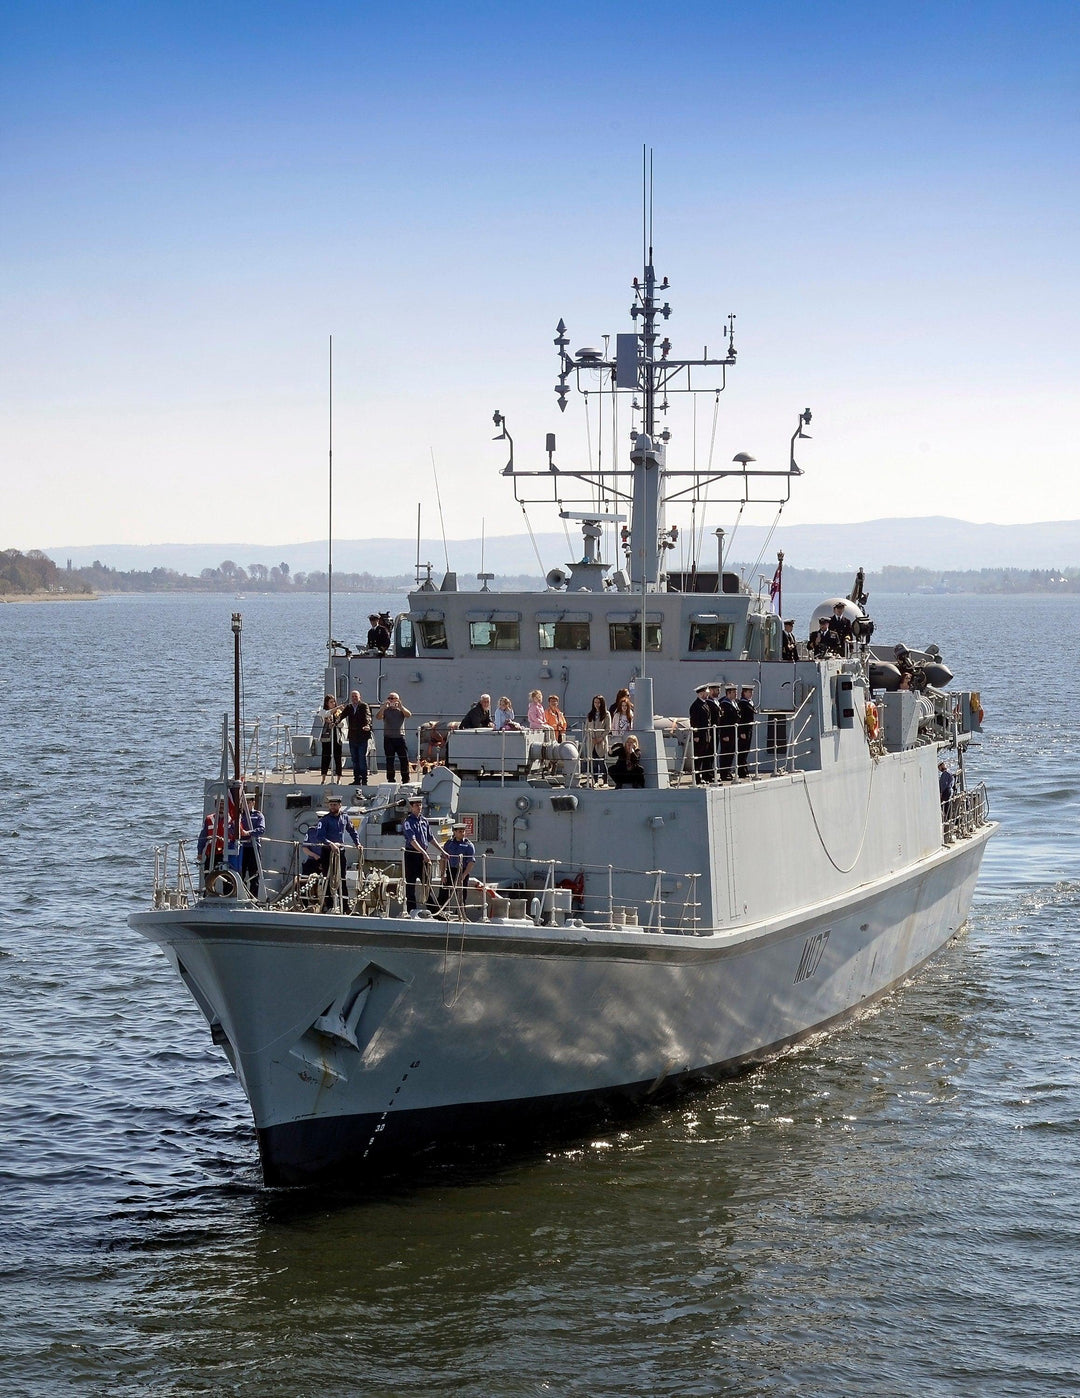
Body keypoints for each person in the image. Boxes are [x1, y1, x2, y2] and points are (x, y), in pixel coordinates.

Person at [301, 795, 360, 911]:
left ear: (340, 805)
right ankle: (328, 905)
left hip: (340, 852)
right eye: (331, 805)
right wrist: (330, 844)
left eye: (335, 805)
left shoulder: (345, 818)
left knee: (342, 878)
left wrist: (357, 843)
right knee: (328, 879)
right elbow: (320, 836)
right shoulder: (325, 820)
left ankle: (345, 905)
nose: (332, 807)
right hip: (327, 852)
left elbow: (352, 831)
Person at [401, 795, 446, 913]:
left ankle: (434, 912)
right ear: (411, 807)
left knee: (427, 885)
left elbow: (430, 838)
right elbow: (412, 840)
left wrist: (442, 851)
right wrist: (423, 853)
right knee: (410, 886)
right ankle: (411, 911)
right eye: (416, 805)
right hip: (412, 855)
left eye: (420, 805)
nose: (419, 807)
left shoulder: (424, 821)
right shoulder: (408, 822)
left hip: (423, 856)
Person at [437, 819, 476, 914]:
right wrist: (442, 875)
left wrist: (464, 875)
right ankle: (439, 913)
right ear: (454, 832)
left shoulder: (469, 845)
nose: (462, 833)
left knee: (462, 895)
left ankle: (460, 914)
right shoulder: (449, 844)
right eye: (460, 831)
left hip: (462, 871)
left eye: (463, 831)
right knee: (444, 893)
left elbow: (471, 862)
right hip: (450, 871)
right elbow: (443, 859)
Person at [376, 692, 412, 783]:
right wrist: (383, 707)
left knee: (404, 759)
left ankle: (405, 779)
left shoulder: (401, 710)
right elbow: (378, 717)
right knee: (389, 760)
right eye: (389, 698)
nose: (391, 700)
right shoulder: (386, 710)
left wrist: (401, 707)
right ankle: (391, 779)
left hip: (399, 737)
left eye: (393, 698)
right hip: (388, 738)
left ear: (398, 700)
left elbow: (409, 715)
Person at [340, 689, 372, 786]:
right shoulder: (349, 707)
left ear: (359, 697)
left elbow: (368, 716)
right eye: (352, 696)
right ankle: (357, 779)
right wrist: (335, 722)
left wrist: (367, 725)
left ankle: (364, 780)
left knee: (362, 759)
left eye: (356, 696)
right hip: (353, 737)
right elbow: (342, 715)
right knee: (354, 759)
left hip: (362, 736)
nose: (354, 698)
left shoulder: (364, 706)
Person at [237, 790, 266, 897]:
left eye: (248, 802)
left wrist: (248, 833)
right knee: (240, 873)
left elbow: (261, 829)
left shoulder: (258, 816)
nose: (246, 805)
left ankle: (254, 897)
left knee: (254, 874)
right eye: (244, 803)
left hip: (253, 848)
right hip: (241, 848)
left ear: (253, 803)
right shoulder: (239, 816)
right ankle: (241, 896)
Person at [689, 683, 715, 784]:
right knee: (698, 758)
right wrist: (696, 735)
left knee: (704, 756)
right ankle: (697, 778)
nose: (707, 694)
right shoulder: (695, 706)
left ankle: (703, 776)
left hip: (706, 734)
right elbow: (694, 722)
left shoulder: (705, 704)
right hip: (700, 735)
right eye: (705, 692)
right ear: (700, 693)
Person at [582, 695, 611, 785]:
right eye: (595, 702)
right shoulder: (590, 714)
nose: (597, 704)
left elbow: (608, 728)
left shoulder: (606, 714)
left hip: (601, 742)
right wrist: (591, 738)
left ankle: (605, 781)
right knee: (593, 763)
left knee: (601, 762)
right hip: (591, 742)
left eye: (598, 702)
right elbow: (587, 727)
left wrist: (600, 738)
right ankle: (595, 780)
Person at [316, 693, 344, 781]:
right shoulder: (323, 711)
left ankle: (339, 778)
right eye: (331, 702)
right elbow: (326, 714)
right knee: (325, 757)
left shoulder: (339, 713)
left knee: (338, 757)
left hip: (337, 736)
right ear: (327, 703)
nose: (333, 704)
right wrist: (336, 709)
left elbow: (343, 724)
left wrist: (336, 724)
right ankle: (323, 778)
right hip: (326, 737)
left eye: (334, 702)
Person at [717, 682, 740, 781]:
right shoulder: (724, 704)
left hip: (733, 732)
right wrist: (724, 734)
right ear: (728, 693)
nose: (736, 694)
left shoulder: (734, 703)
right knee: (726, 753)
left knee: (731, 752)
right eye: (734, 692)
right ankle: (724, 773)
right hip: (727, 733)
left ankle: (728, 771)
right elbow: (723, 720)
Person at [736, 684, 756, 779]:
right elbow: (741, 719)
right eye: (749, 692)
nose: (751, 694)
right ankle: (741, 771)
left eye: (751, 692)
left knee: (746, 750)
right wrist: (741, 732)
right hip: (744, 730)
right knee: (742, 751)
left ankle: (744, 769)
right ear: (744, 693)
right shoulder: (742, 704)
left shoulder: (749, 703)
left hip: (749, 729)